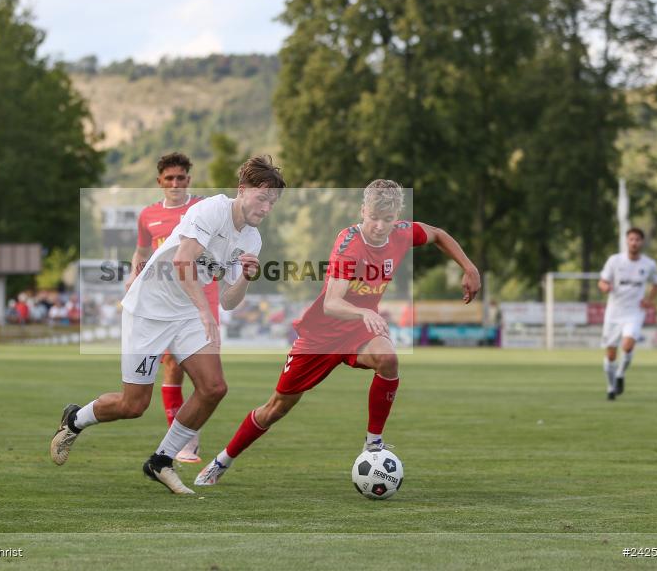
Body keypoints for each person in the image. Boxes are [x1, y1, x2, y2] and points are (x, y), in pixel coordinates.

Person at [194, 179, 480, 487]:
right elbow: (332, 303)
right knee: (276, 407)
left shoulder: (401, 233)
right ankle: (223, 460)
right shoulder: (350, 244)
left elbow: (438, 234)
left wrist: (469, 267)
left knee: (388, 358)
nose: (380, 226)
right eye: (373, 218)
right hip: (321, 336)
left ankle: (373, 443)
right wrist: (364, 311)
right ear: (362, 211)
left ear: (397, 217)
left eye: (387, 219)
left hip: (358, 332)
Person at [49, 155, 285, 494]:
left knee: (214, 388)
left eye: (272, 202)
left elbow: (230, 301)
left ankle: (161, 461)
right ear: (242, 190)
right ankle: (75, 419)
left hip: (187, 312)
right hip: (149, 309)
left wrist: (246, 278)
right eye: (262, 197)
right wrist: (205, 312)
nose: (266, 207)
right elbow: (181, 262)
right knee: (134, 406)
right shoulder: (212, 210)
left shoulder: (252, 240)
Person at [122, 152, 220, 463]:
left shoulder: (203, 207)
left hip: (201, 297)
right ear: (159, 182)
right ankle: (181, 441)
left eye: (181, 178)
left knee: (204, 372)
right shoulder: (147, 215)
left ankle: (187, 435)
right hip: (162, 302)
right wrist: (133, 277)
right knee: (172, 367)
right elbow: (140, 252)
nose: (175, 183)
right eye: (170, 178)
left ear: (189, 180)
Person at [597, 227, 657, 400]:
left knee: (627, 345)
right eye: (631, 239)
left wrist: (649, 300)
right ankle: (610, 387)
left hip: (634, 312)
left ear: (642, 242)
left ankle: (620, 374)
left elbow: (656, 284)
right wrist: (605, 287)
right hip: (614, 312)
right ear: (627, 241)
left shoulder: (649, 264)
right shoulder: (614, 261)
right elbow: (602, 282)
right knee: (610, 353)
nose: (634, 243)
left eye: (637, 240)